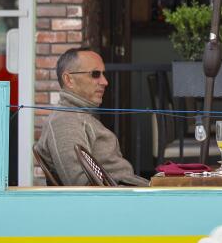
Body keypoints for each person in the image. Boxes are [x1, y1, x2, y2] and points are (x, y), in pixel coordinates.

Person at [34, 48, 148, 186]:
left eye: (103, 74)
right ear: (69, 79)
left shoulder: (77, 116)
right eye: (95, 74)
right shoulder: (65, 122)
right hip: (123, 201)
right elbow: (83, 188)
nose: (105, 82)